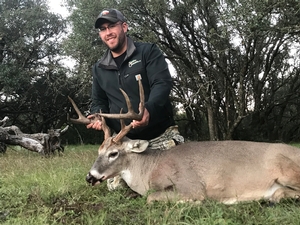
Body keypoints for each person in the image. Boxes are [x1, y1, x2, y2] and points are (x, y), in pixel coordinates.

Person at [87, 9, 184, 190]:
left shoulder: (148, 52)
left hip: (158, 135)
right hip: (124, 144)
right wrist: (97, 117)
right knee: (117, 189)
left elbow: (162, 83)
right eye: (102, 29)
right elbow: (98, 101)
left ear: (124, 27)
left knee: (175, 180)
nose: (108, 33)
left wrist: (149, 109)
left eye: (112, 26)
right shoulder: (99, 68)